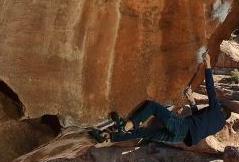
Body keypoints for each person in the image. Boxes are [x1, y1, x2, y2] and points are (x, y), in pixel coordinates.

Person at [91, 51, 230, 146]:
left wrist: (208, 64)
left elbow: (211, 89)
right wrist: (192, 101)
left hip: (181, 127)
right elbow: (198, 120)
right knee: (143, 133)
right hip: (179, 138)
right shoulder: (218, 125)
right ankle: (107, 137)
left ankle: (125, 127)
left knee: (152, 106)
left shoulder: (217, 110)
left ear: (221, 109)